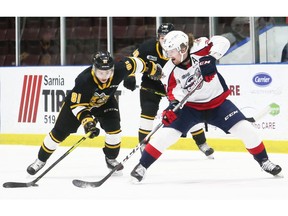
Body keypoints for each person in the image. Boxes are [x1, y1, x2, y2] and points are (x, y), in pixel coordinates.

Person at [130, 30, 282, 182]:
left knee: (247, 130)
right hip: (190, 108)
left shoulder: (200, 46)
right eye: (167, 51)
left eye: (172, 51)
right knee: (165, 136)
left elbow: (224, 41)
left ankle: (264, 161)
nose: (169, 56)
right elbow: (173, 93)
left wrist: (211, 57)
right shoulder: (169, 69)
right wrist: (172, 107)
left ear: (183, 48)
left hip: (217, 105)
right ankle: (142, 166)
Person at [26, 51, 162, 176]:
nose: (104, 76)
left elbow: (135, 63)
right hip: (78, 106)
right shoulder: (84, 80)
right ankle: (40, 160)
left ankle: (111, 158)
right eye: (101, 73)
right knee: (58, 133)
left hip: (105, 102)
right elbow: (78, 106)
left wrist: (152, 68)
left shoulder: (121, 69)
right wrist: (88, 123)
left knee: (114, 131)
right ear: (94, 69)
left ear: (113, 69)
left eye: (108, 72)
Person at [123, 23, 214, 158]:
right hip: (151, 85)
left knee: (188, 112)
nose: (164, 41)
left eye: (167, 38)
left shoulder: (182, 49)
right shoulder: (148, 47)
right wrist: (129, 75)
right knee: (147, 115)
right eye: (161, 37)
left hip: (175, 86)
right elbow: (132, 60)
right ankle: (144, 146)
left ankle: (202, 143)